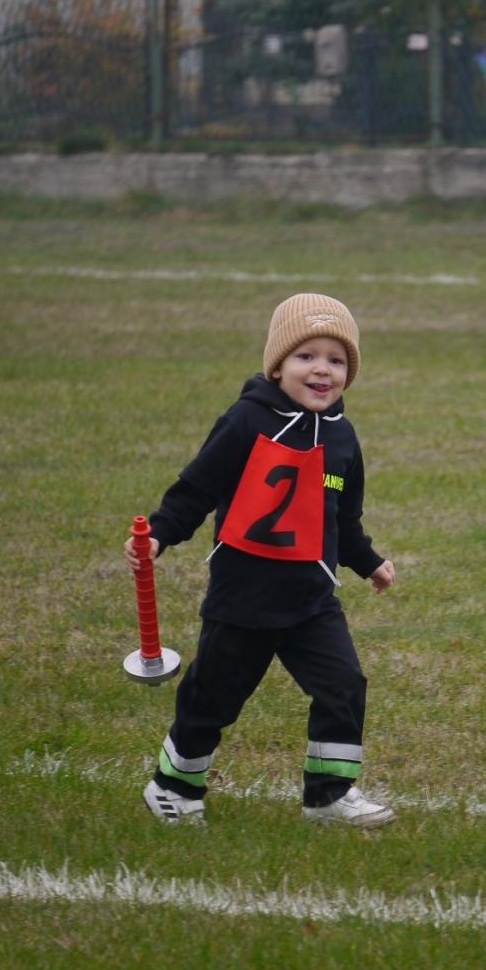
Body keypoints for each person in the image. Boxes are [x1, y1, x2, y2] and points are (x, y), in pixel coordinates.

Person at [124, 293, 395, 828]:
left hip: (312, 603)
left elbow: (342, 518)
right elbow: (197, 488)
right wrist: (159, 533)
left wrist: (368, 562)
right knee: (212, 699)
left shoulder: (342, 437)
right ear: (277, 365)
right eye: (306, 356)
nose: (321, 369)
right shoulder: (247, 419)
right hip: (242, 600)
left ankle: (328, 797)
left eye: (336, 360)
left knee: (343, 685)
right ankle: (173, 789)